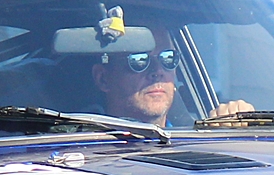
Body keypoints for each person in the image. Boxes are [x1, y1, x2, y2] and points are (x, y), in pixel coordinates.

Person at [89, 29, 252, 127]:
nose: (158, 71)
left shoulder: (194, 136)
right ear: (103, 78)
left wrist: (237, 123)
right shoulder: (81, 145)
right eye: (139, 60)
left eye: (168, 58)